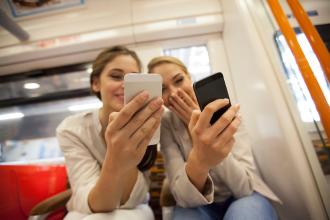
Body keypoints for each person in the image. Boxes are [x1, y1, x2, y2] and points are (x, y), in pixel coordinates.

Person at [148, 56, 281, 220]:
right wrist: (201, 153)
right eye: (163, 89)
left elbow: (244, 188)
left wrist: (208, 135)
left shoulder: (224, 112)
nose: (174, 93)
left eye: (179, 80)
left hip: (241, 197)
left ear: (189, 77)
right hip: (197, 205)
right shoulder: (167, 124)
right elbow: (183, 196)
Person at [56, 46, 164, 220]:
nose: (125, 85)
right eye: (116, 76)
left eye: (133, 79)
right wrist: (117, 155)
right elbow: (91, 201)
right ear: (96, 83)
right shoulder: (72, 130)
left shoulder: (150, 123)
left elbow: (130, 200)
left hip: (134, 206)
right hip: (87, 208)